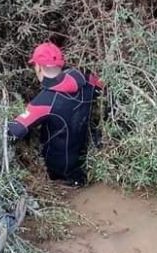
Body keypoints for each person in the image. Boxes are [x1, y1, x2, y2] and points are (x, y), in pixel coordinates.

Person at [8, 42, 101, 187]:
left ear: (38, 67)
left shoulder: (43, 102)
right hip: (84, 157)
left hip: (58, 171)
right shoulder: (84, 78)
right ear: (61, 64)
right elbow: (102, 86)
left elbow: (14, 130)